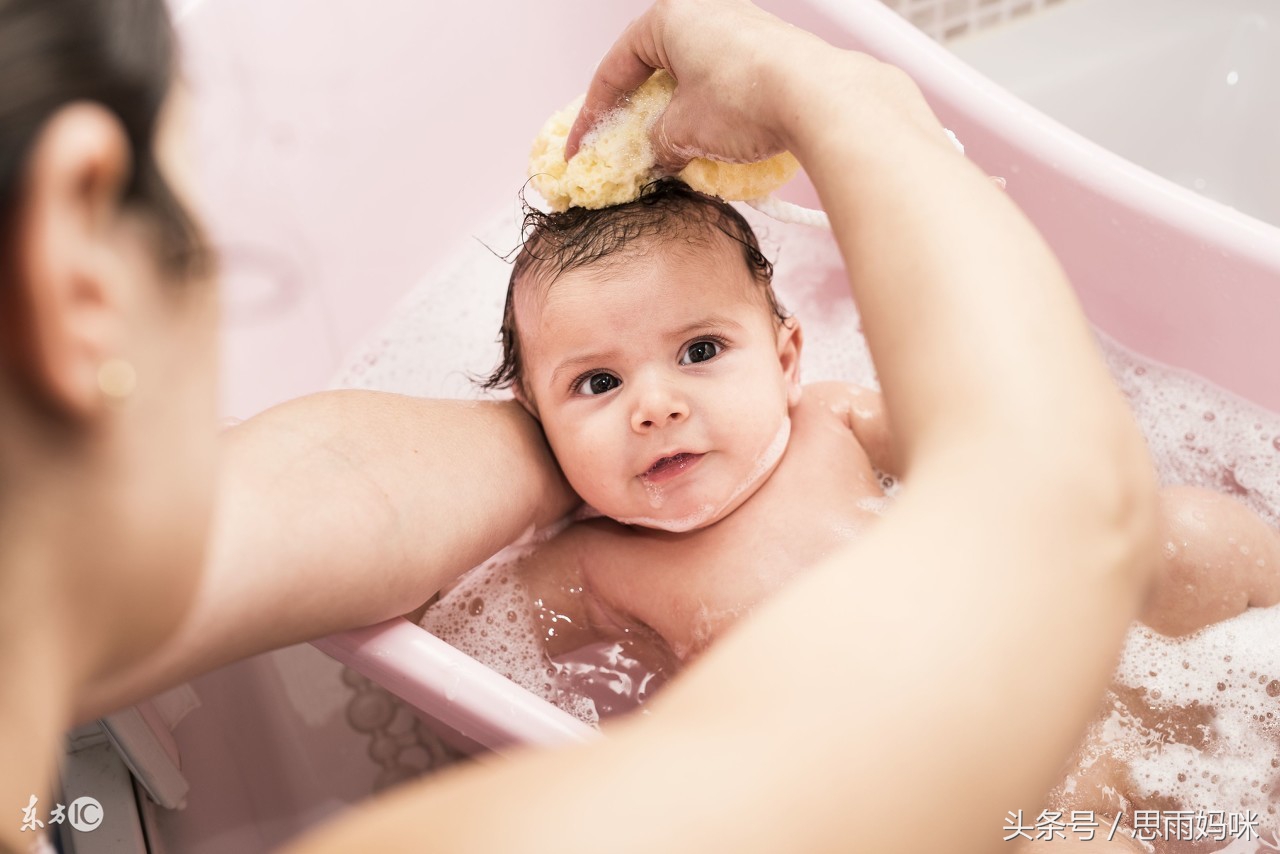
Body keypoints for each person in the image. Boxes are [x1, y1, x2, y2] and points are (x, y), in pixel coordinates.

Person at [0, 1, 1164, 853]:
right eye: (202, 236)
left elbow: (328, 491)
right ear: (78, 278)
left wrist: (609, 427)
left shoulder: (821, 419)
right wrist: (840, 99)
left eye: (699, 348)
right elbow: (1062, 505)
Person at [470, 177, 1279, 666]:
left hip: (1048, 661)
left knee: (1201, 533)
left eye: (701, 350)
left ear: (787, 360)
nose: (657, 406)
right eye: (599, 382)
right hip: (934, 794)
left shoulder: (832, 418)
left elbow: (987, 450)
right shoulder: (594, 564)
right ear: (536, 421)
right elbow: (477, 635)